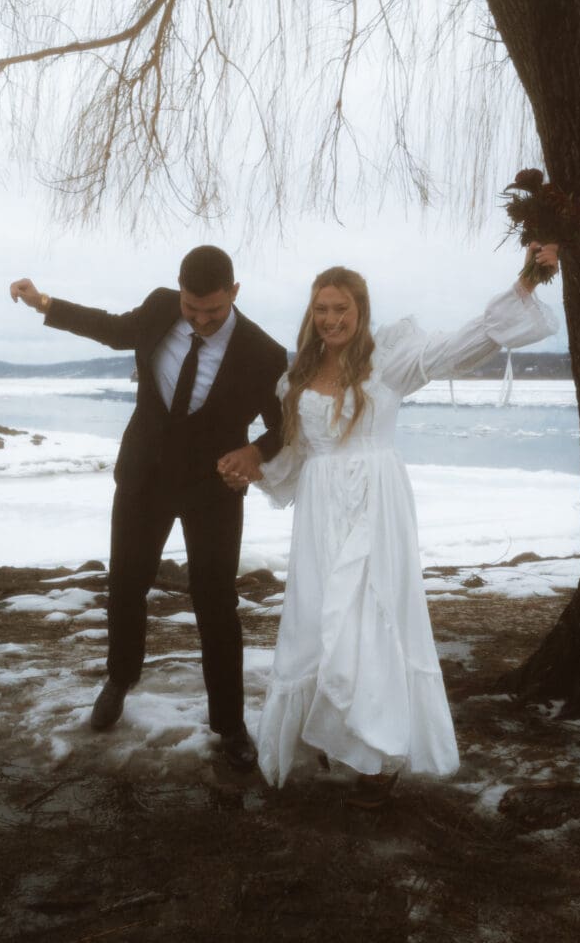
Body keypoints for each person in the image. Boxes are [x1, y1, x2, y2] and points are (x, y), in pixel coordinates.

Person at [221, 243, 560, 789]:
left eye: (342, 309)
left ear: (361, 312)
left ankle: (375, 754)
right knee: (317, 618)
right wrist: (253, 468)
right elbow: (297, 454)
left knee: (369, 618)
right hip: (319, 511)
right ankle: (331, 731)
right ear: (312, 314)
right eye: (322, 309)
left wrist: (526, 282)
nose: (331, 319)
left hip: (376, 504)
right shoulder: (296, 379)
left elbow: (460, 346)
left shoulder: (389, 362)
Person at [10, 246, 287, 770]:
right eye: (192, 309)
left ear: (235, 292)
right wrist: (45, 302)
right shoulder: (160, 308)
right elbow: (112, 329)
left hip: (213, 491)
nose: (201, 321)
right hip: (144, 479)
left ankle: (229, 724)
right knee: (127, 584)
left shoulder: (264, 354)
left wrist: (255, 451)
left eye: (213, 311)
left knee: (216, 602)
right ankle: (119, 678)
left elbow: (284, 425)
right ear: (179, 291)